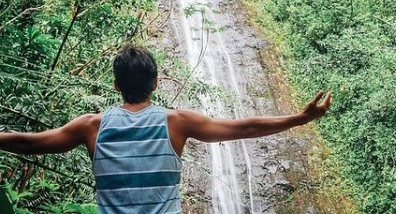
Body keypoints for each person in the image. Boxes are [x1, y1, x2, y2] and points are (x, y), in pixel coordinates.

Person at [0, 45, 332, 214]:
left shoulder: (91, 127)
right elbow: (243, 128)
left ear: (116, 85)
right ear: (156, 83)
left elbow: (29, 144)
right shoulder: (176, 122)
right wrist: (299, 119)